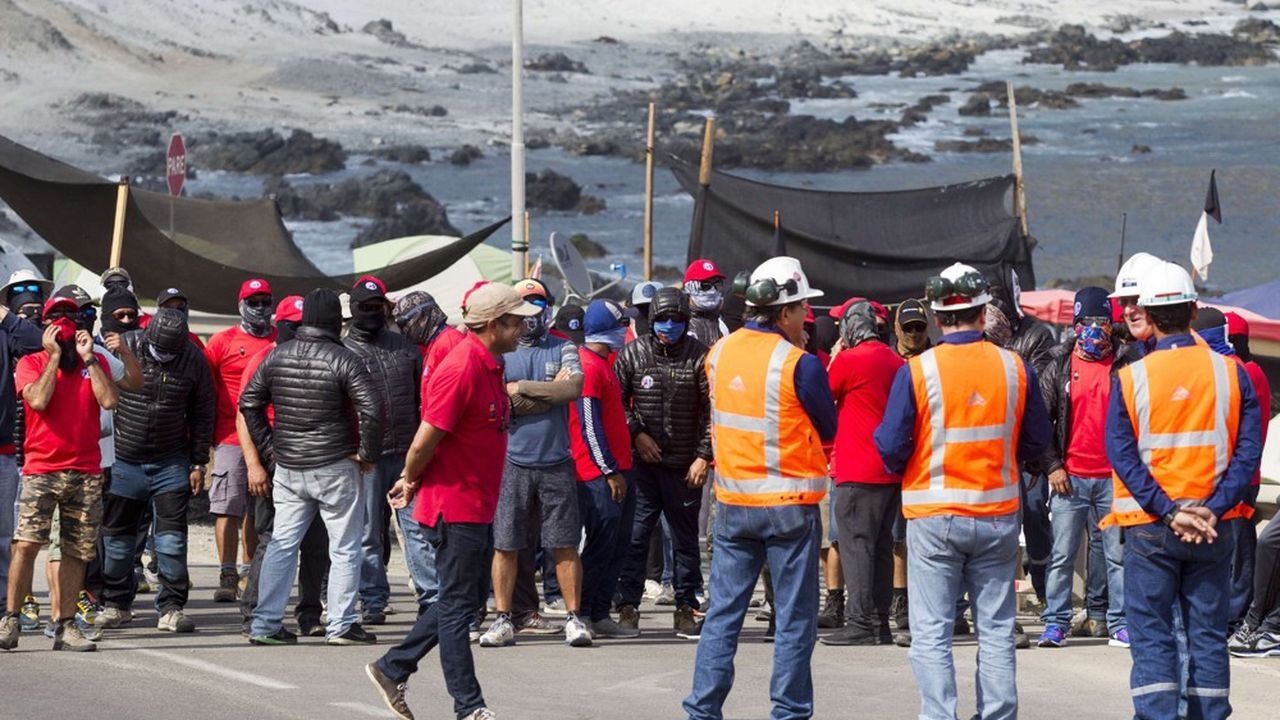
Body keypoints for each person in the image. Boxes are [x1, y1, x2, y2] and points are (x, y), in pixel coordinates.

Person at [875, 262, 1051, 720]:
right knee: (995, 630)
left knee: (931, 631)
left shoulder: (918, 371)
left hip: (933, 515)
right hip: (995, 514)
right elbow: (1035, 442)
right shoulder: (1015, 367)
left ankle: (939, 715)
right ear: (983, 311)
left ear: (935, 316)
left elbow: (891, 446)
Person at [366, 281, 538, 720]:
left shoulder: (489, 363)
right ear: (493, 324)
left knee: (460, 600)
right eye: (515, 321)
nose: (522, 328)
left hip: (475, 503)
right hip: (454, 504)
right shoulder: (462, 365)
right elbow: (426, 438)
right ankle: (468, 706)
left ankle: (394, 666)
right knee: (458, 607)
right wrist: (409, 478)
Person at [1101, 261, 1261, 719]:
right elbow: (1248, 453)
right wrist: (1211, 509)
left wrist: (1170, 512)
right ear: (1194, 312)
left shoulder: (1132, 378)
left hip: (1151, 527)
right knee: (1207, 633)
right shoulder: (1233, 373)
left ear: (1148, 314)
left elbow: (1122, 454)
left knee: (1151, 634)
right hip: (1214, 528)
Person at [684, 256, 836, 720]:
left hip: (732, 505)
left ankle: (702, 711)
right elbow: (828, 426)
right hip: (789, 506)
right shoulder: (800, 364)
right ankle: (788, 713)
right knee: (793, 620)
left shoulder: (718, 354)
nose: (805, 321)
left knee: (723, 616)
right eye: (802, 312)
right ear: (785, 312)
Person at [240, 288, 384, 646]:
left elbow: (248, 403)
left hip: (289, 466)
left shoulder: (277, 355)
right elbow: (373, 409)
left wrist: (271, 450)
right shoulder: (344, 357)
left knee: (282, 544)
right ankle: (342, 624)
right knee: (344, 546)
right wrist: (367, 454)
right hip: (335, 463)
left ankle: (266, 624)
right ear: (337, 320)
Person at [1, 296, 117, 651]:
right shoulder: (32, 361)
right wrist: (53, 356)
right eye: (56, 316)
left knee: (76, 550)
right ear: (45, 326)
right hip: (42, 468)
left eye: (71, 315)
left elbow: (109, 400)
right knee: (27, 545)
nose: (65, 322)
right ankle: (10, 618)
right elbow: (36, 400)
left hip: (85, 470)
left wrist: (89, 359)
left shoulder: (92, 362)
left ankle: (65, 624)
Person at [478, 278, 588, 648]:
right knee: (506, 544)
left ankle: (574, 617)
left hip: (557, 460)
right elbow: (498, 404)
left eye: (539, 304)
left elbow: (573, 388)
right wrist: (547, 393)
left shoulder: (563, 346)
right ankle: (504, 618)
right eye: (526, 305)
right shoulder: (500, 352)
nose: (533, 313)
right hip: (511, 462)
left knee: (564, 544)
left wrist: (521, 387)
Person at [95, 308, 214, 633]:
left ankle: (172, 607)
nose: (163, 359)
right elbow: (98, 397)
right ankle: (117, 604)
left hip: (171, 463)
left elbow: (204, 413)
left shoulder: (194, 360)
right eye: (158, 351)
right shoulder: (125, 345)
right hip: (123, 460)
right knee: (117, 543)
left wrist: (198, 461)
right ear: (147, 338)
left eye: (169, 354)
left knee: (172, 542)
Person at [614, 287, 712, 639]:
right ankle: (627, 606)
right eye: (662, 320)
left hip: (686, 465)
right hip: (643, 465)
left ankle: (686, 607)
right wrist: (636, 433)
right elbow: (615, 402)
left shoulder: (702, 357)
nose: (668, 326)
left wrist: (704, 455)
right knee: (636, 537)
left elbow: (713, 412)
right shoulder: (632, 355)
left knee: (685, 541)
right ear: (650, 320)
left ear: (686, 322)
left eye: (676, 320)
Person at [1035, 287, 1129, 649]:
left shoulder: (1125, 362)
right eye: (1087, 322)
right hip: (1068, 479)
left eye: (1102, 322)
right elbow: (1042, 423)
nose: (1095, 329)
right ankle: (1055, 623)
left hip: (1114, 479)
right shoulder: (1058, 364)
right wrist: (1053, 466)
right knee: (1061, 554)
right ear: (1075, 325)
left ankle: (1118, 622)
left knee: (1116, 555)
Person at [235, 296, 330, 638]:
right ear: (283, 326)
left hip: (312, 460)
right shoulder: (264, 358)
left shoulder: (319, 356)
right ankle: (254, 613)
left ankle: (309, 615)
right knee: (273, 538)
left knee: (317, 543)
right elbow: (245, 414)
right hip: (271, 461)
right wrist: (254, 465)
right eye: (296, 325)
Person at [344, 276, 434, 625]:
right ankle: (373, 599)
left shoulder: (405, 347)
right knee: (367, 533)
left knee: (416, 530)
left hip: (406, 454)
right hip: (365, 457)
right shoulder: (343, 351)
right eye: (365, 307)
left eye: (377, 307)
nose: (372, 313)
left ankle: (431, 598)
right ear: (353, 310)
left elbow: (422, 400)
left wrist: (422, 450)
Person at [821, 299, 904, 646]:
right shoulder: (896, 361)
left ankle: (859, 622)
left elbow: (823, 398)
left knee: (856, 546)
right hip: (890, 471)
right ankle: (879, 623)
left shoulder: (850, 360)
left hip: (856, 468)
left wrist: (836, 356)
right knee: (883, 547)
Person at [1190, 308, 1271, 637]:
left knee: (1239, 551)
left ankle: (1234, 616)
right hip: (1233, 475)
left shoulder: (1245, 372)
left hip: (1240, 477)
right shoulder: (1241, 369)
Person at [203, 279, 277, 603]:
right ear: (241, 304)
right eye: (253, 301)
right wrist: (203, 438)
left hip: (271, 435)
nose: (260, 307)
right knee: (227, 507)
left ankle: (250, 572)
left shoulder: (279, 339)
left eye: (265, 301)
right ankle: (227, 573)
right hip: (230, 436)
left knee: (257, 508)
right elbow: (202, 388)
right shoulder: (222, 341)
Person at [569, 299, 636, 639]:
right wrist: (609, 470)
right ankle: (584, 611)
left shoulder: (604, 362)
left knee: (616, 544)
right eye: (623, 323)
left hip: (619, 467)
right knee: (599, 545)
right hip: (598, 473)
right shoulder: (589, 367)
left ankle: (599, 610)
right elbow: (589, 426)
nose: (627, 329)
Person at [0, 274, 46, 617]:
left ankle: (4, 605)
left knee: (4, 535)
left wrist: (6, 317)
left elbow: (38, 343)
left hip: (3, 451)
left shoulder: (8, 330)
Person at [888, 298, 931, 634]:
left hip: (931, 459)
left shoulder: (935, 360)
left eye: (920, 327)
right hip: (899, 458)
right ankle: (900, 599)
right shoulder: (888, 360)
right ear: (896, 328)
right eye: (908, 327)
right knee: (897, 536)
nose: (914, 333)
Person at [683, 259, 728, 347]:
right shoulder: (678, 321)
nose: (712, 291)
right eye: (705, 286)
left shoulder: (727, 319)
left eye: (717, 285)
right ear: (690, 287)